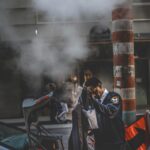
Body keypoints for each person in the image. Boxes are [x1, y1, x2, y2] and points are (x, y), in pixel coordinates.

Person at [84, 77, 125, 150]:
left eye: (94, 90)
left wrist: (93, 100)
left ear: (99, 85)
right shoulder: (94, 101)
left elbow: (110, 112)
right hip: (100, 141)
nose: (93, 93)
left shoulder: (114, 97)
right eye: (91, 92)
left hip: (114, 141)